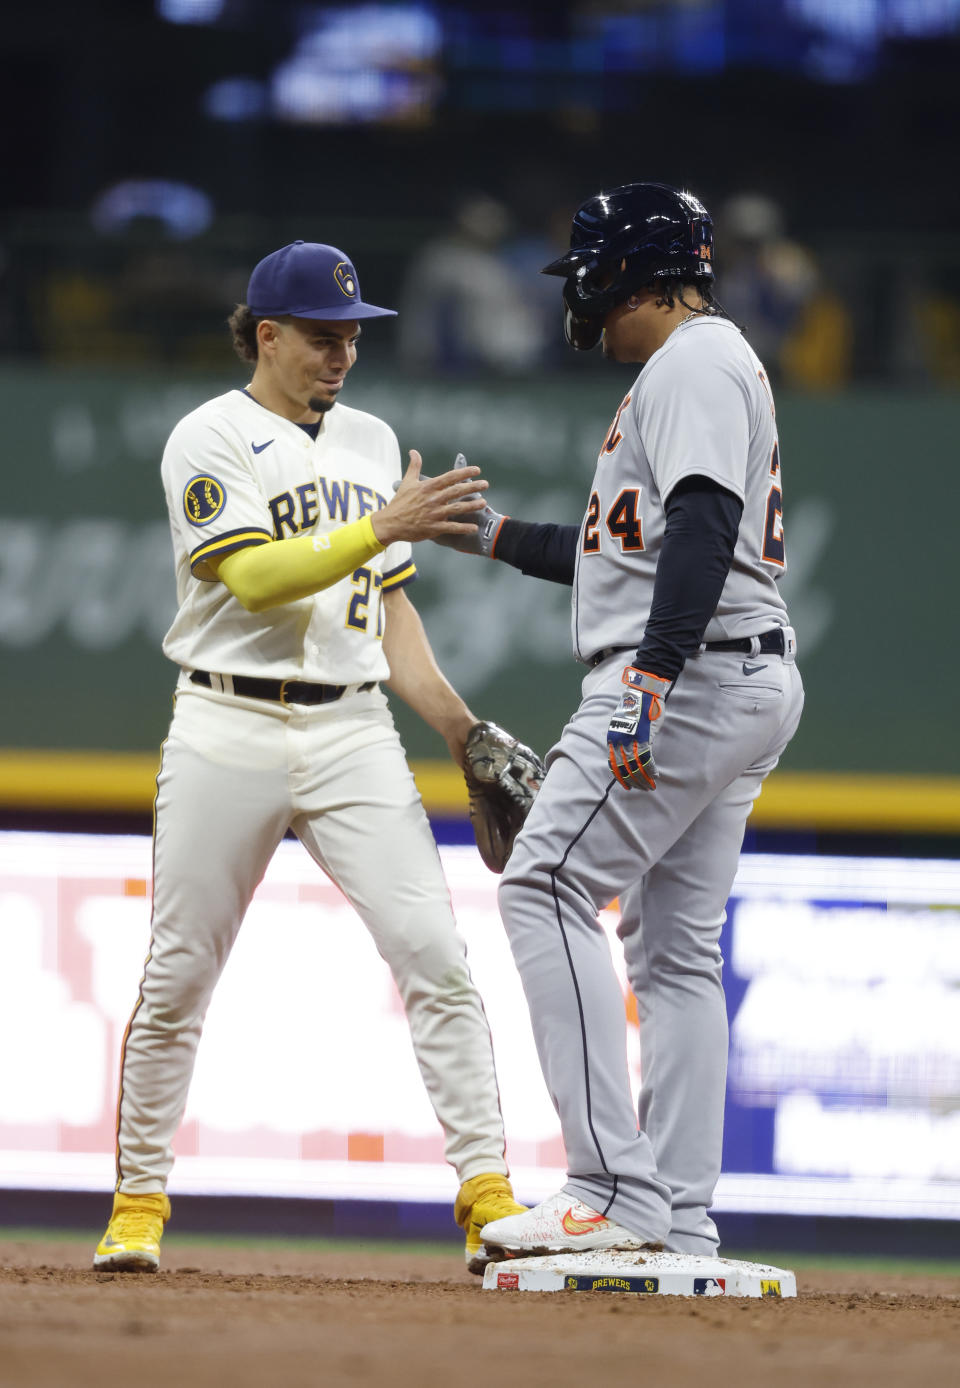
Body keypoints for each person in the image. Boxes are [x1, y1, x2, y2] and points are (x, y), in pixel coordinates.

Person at [92, 239, 526, 1275]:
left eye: (353, 337)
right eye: (323, 336)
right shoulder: (210, 435)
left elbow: (392, 609)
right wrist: (381, 524)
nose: (342, 354)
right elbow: (253, 578)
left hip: (352, 725)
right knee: (179, 972)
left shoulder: (374, 439)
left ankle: (489, 1193)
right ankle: (139, 1199)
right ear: (267, 334)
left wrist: (459, 725)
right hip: (224, 725)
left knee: (436, 953)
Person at [434, 184, 804, 1262]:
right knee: (677, 951)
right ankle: (678, 1211)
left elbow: (701, 523)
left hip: (686, 675)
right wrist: (498, 536)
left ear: (629, 273)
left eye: (590, 273)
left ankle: (608, 1187)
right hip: (741, 672)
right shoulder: (705, 364)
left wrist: (651, 676)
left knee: (544, 882)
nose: (579, 296)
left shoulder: (689, 362)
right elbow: (626, 548)